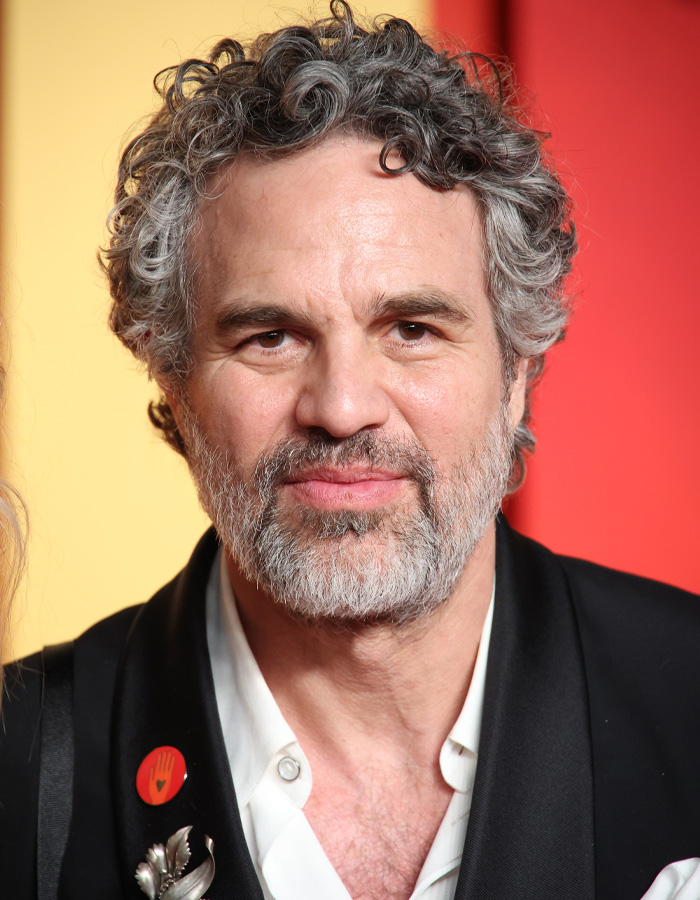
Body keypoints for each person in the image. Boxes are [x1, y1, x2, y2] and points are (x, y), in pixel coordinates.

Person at [1, 4, 699, 899]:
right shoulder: (21, 773)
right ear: (173, 381)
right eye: (269, 337)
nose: (341, 409)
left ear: (518, 367)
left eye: (410, 328)